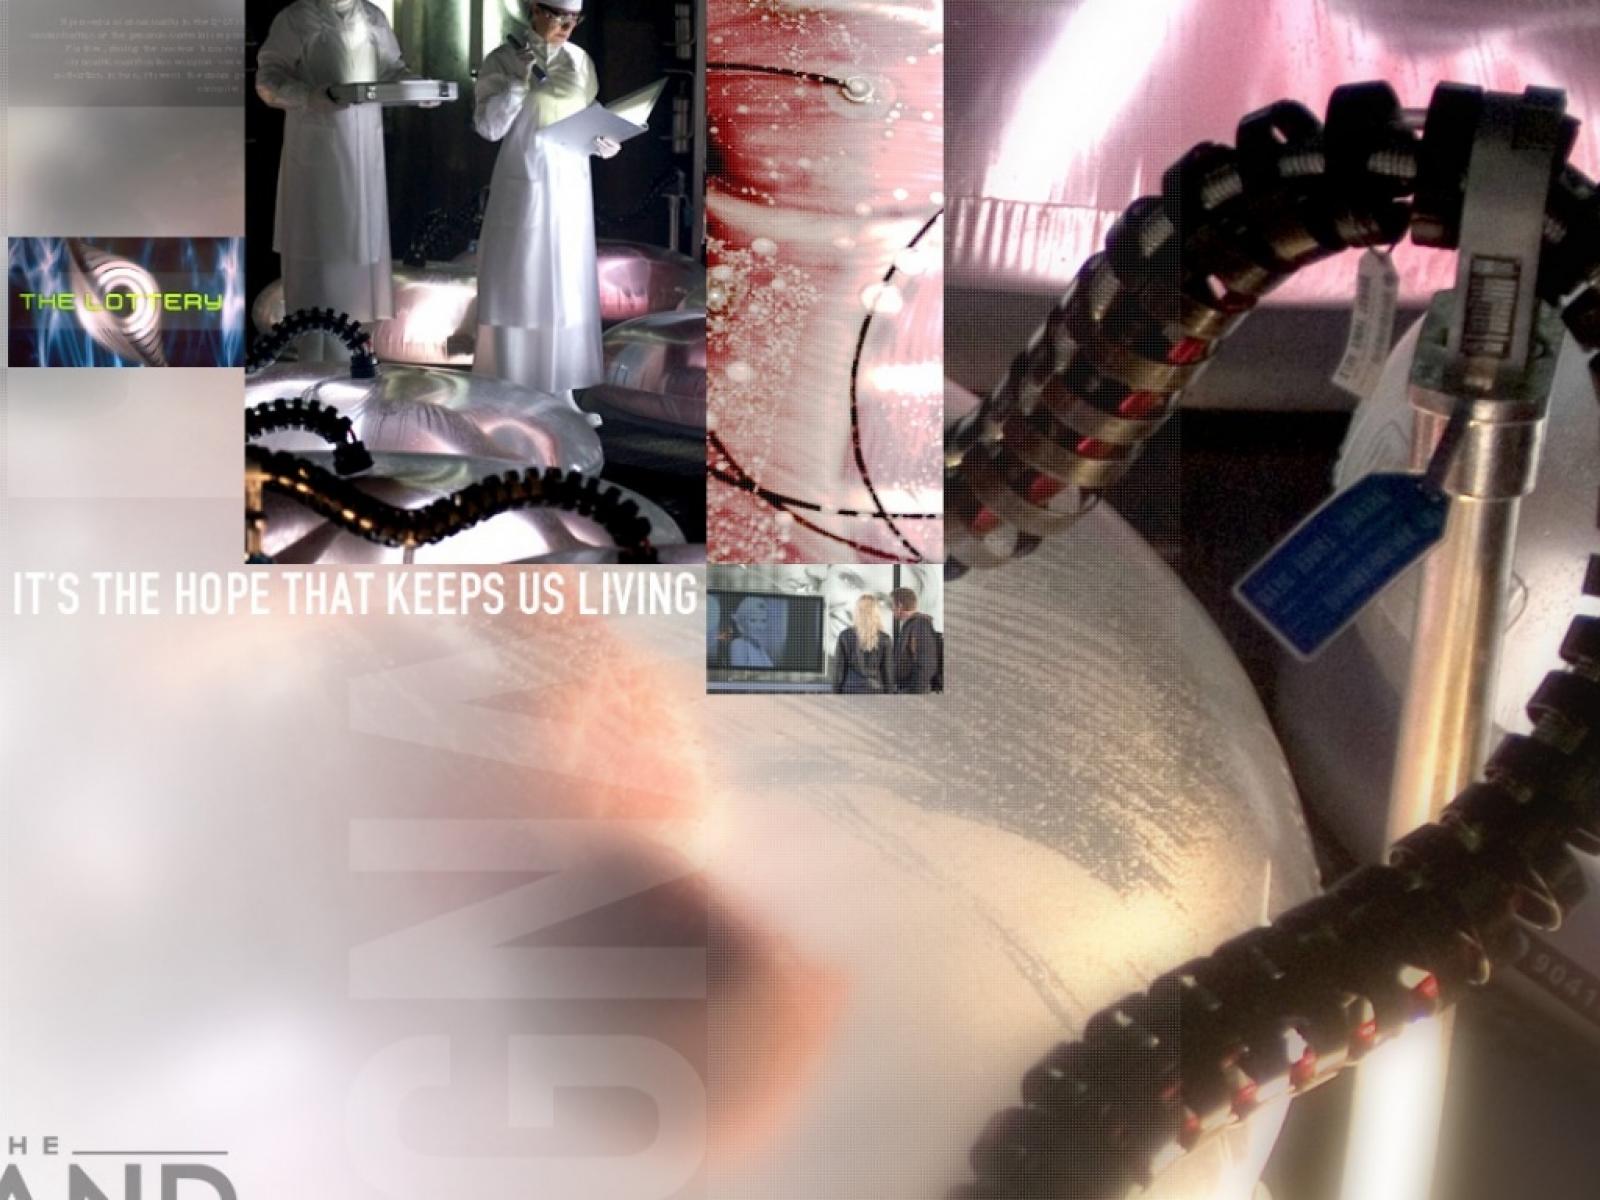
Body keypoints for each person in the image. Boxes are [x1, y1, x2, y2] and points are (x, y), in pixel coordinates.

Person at [472, 0, 620, 420]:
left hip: (570, 184)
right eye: (558, 16)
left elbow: (587, 116)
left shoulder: (579, 61)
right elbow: (488, 127)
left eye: (574, 19)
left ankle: (562, 393)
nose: (567, 25)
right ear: (535, 10)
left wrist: (603, 142)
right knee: (522, 281)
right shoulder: (503, 59)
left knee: (566, 286)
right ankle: (512, 391)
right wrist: (518, 83)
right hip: (525, 180)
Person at [256, 0, 420, 362]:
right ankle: (315, 367)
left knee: (360, 266)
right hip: (317, 162)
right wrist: (310, 96)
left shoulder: (372, 17)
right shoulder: (297, 17)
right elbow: (267, 79)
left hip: (365, 160)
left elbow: (392, 69)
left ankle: (354, 363)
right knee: (319, 265)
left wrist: (415, 88)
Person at [833, 594, 893, 694]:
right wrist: (889, 696)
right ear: (876, 613)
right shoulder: (885, 639)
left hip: (850, 691)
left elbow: (838, 671)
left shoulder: (845, 636)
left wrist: (835, 694)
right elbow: (888, 673)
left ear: (857, 612)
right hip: (876, 691)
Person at [890, 585, 939, 694]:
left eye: (892, 605)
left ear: (900, 605)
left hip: (913, 691)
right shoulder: (910, 625)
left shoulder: (920, 625)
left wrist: (913, 693)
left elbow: (926, 664)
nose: (891, 609)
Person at [729, 596, 776, 668]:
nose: (759, 627)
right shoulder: (738, 644)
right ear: (743, 622)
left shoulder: (759, 647)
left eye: (763, 621)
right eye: (753, 620)